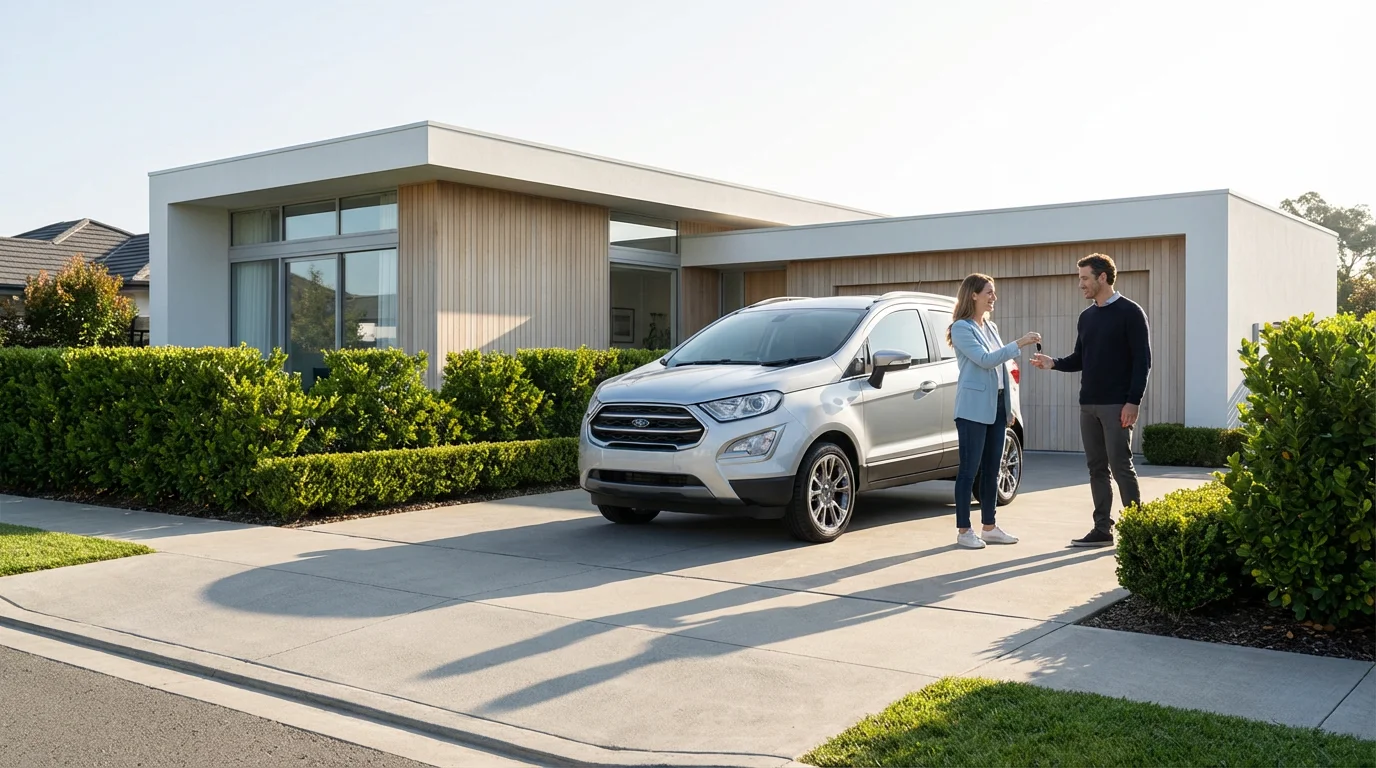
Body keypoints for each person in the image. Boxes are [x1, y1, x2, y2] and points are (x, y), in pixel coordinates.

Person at [1031, 253, 1152, 547]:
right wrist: (1054, 363)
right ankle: (1102, 529)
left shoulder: (1131, 312)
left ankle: (1138, 530)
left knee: (1121, 465)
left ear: (1102, 277)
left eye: (1084, 278)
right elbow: (1079, 358)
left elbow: (1143, 362)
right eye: (1080, 278)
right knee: (1096, 467)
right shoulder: (1086, 317)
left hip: (1117, 406)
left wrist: (1133, 402)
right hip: (1089, 405)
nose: (1080, 284)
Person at [947, 273, 1042, 549]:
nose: (994, 298)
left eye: (994, 292)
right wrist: (1020, 343)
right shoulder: (961, 328)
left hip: (998, 407)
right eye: (989, 292)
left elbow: (1003, 368)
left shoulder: (991, 327)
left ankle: (989, 527)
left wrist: (1009, 407)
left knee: (992, 469)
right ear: (973, 295)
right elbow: (986, 360)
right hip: (972, 409)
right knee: (969, 470)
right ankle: (964, 530)